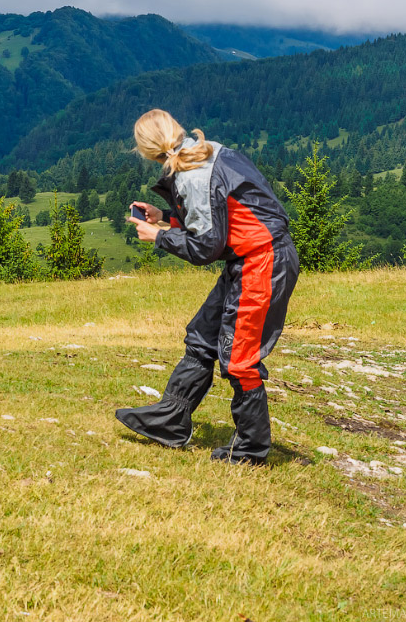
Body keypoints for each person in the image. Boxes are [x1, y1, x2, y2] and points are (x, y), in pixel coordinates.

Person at [115, 109, 299, 465]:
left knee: (240, 360)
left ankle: (250, 450)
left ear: (146, 150)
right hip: (248, 258)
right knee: (202, 337)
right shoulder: (206, 150)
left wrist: (160, 237)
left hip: (262, 262)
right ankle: (170, 419)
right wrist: (165, 217)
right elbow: (219, 218)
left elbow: (205, 247)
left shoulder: (192, 175)